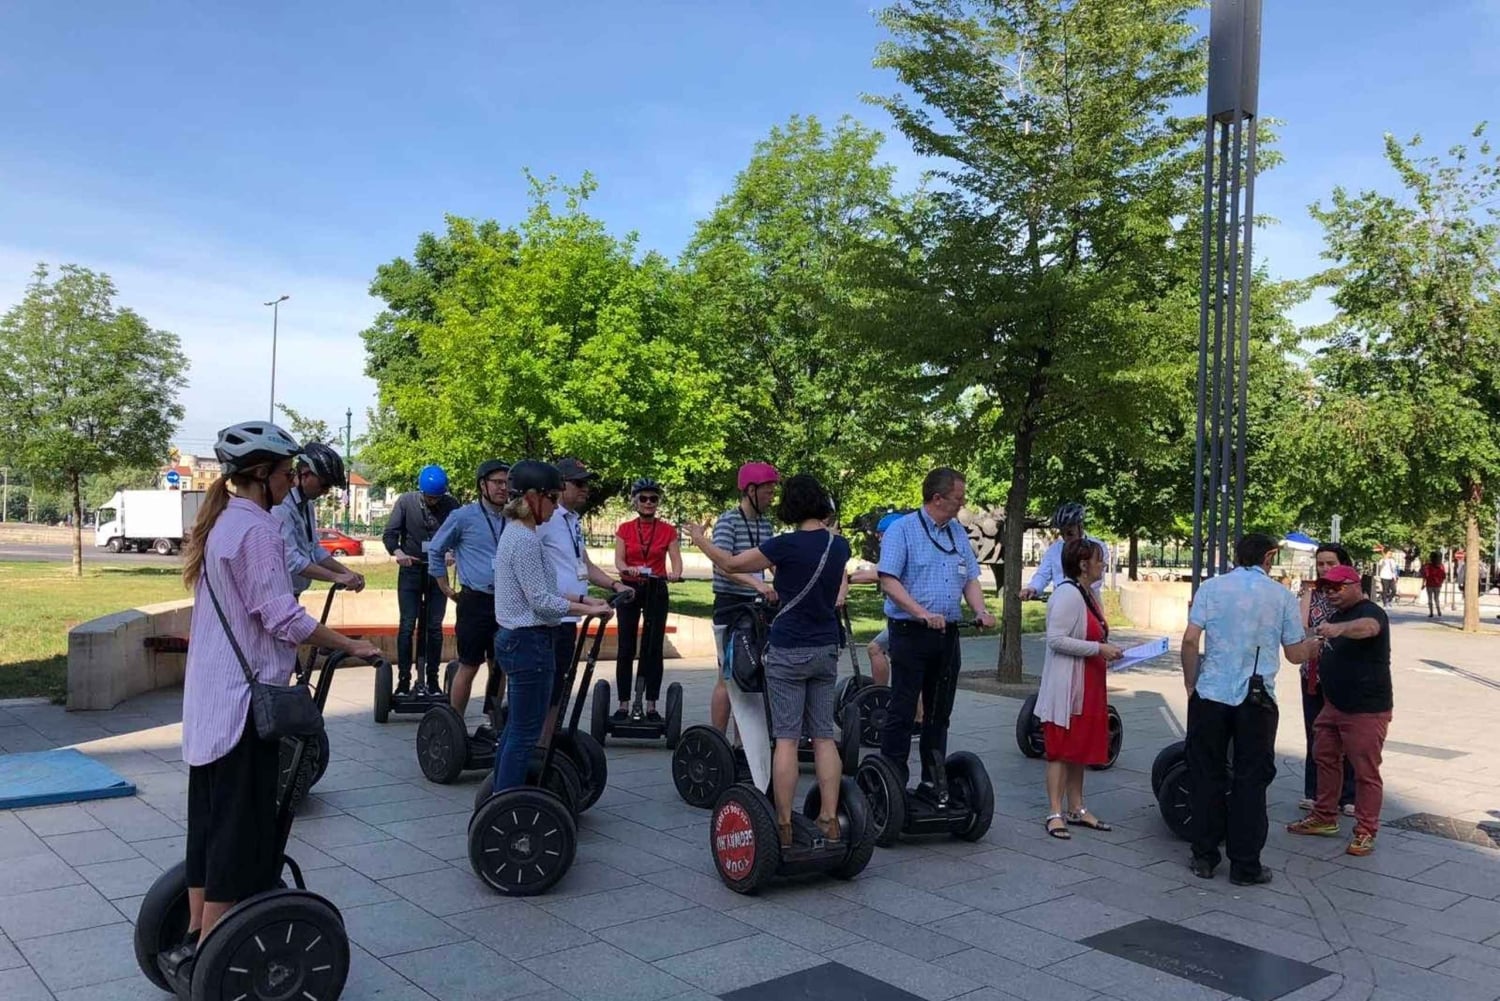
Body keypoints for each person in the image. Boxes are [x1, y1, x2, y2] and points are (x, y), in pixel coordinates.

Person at [174, 422, 380, 959]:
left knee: (209, 824)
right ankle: (216, 949)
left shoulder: (221, 523)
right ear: (261, 475)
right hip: (246, 707)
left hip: (212, 702)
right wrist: (352, 646)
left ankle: (197, 932)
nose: (293, 482)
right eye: (288, 474)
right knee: (240, 833)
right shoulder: (259, 530)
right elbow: (282, 617)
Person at [686, 473, 851, 847]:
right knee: (824, 736)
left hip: (789, 649)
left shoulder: (785, 545)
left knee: (788, 739)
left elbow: (729, 565)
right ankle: (829, 817)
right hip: (826, 648)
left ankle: (783, 823)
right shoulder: (839, 546)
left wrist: (699, 539)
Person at [1180, 533, 1318, 885]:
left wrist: (1191, 683)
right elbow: (1294, 654)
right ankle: (1245, 864)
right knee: (1250, 781)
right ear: (1269, 556)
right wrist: (1318, 643)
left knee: (1205, 774)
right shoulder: (1281, 596)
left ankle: (1204, 857)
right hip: (1255, 701)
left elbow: (1190, 640)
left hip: (1210, 693)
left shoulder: (1211, 589)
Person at [490, 461, 613, 792]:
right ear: (531, 497)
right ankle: (508, 799)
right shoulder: (525, 540)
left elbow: (545, 588)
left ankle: (501, 794)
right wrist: (584, 611)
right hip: (529, 641)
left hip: (523, 640)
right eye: (552, 497)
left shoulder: (520, 534)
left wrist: (586, 602)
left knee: (517, 728)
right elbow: (541, 602)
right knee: (525, 732)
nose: (556, 504)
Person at [875, 468, 996, 794]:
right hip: (910, 632)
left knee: (939, 712)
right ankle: (892, 782)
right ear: (938, 498)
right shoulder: (903, 530)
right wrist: (922, 613)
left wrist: (980, 611)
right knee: (903, 711)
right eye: (958, 498)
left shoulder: (957, 533)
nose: (963, 504)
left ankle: (933, 779)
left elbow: (970, 578)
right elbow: (888, 580)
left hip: (947, 635)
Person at [1288, 564, 1393, 856]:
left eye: (1337, 587)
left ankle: (1365, 830)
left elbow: (1369, 629)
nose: (1331, 594)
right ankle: (1324, 817)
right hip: (1333, 705)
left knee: (1365, 771)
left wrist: (1339, 630)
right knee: (1324, 757)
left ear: (1355, 584)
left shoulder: (1370, 612)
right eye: (1326, 589)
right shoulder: (1336, 614)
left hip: (1365, 709)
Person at [538, 458, 635, 737]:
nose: (586, 489)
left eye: (587, 483)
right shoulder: (545, 519)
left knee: (561, 682)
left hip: (570, 615)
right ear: (560, 485)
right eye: (579, 483)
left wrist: (616, 586)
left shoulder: (572, 521)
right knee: (550, 683)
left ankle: (548, 743)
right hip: (550, 616)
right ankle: (539, 744)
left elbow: (586, 565)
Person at [1036, 538, 1124, 839]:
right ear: (1083, 565)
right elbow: (1056, 639)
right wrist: (1098, 648)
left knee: (1078, 748)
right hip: (1068, 685)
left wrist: (1106, 650)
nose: (1103, 565)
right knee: (1060, 749)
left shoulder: (1088, 594)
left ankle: (1077, 806)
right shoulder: (1068, 595)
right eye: (1099, 560)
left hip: (1087, 683)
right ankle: (1054, 812)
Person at [429, 460, 510, 716]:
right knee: (469, 664)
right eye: (497, 482)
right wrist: (444, 585)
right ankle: (455, 722)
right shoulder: (463, 516)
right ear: (482, 485)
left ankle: (493, 720)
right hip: (475, 601)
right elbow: (436, 549)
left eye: (507, 483)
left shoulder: (514, 517)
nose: (503, 488)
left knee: (500, 665)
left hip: (507, 601)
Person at [707, 462, 782, 733]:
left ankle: (745, 746)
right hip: (731, 604)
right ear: (751, 490)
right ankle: (717, 739)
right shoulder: (728, 521)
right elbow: (722, 565)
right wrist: (756, 584)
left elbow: (773, 562)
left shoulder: (765, 524)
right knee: (727, 676)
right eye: (767, 491)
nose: (771, 496)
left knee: (750, 676)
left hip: (756, 607)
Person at [383, 465, 459, 693]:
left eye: (438, 497)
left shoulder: (451, 505)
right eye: (430, 497)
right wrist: (398, 553)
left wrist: (451, 552)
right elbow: (390, 534)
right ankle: (404, 680)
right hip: (411, 569)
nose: (434, 501)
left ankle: (433, 680)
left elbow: (460, 534)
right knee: (407, 625)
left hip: (437, 572)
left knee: (434, 627)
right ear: (421, 492)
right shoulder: (406, 502)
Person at [613, 478, 683, 718]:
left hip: (655, 588)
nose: (648, 503)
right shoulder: (625, 529)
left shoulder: (667, 530)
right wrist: (626, 569)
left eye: (653, 499)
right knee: (626, 646)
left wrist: (675, 574)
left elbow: (676, 560)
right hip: (630, 588)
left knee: (653, 647)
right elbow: (619, 560)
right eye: (643, 498)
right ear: (635, 500)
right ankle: (623, 703)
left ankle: (651, 703)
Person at [1297, 543, 1357, 814]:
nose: (1324, 568)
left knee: (1346, 734)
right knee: (1315, 732)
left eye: (1330, 563)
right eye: (1321, 563)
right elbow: (1303, 627)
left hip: (1343, 673)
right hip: (1312, 672)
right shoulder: (1311, 592)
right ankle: (1314, 791)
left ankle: (1348, 795)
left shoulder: (1352, 594)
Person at [272, 441, 366, 597]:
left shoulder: (307, 505)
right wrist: (336, 577)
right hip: (279, 596)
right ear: (305, 473)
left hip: (293, 595)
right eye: (323, 484)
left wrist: (347, 572)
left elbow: (314, 550)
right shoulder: (282, 507)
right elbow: (291, 561)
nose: (325, 491)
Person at [848, 511, 906, 687]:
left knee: (876, 648)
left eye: (882, 535)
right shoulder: (905, 548)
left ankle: (880, 695)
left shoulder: (900, 550)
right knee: (906, 669)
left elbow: (876, 574)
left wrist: (846, 578)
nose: (880, 540)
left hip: (906, 621)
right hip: (902, 620)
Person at [1021, 502, 1109, 602]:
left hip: (1088, 601)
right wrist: (1032, 588)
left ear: (1080, 528)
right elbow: (1043, 574)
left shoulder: (1098, 548)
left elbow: (1096, 579)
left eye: (1070, 533)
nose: (1066, 538)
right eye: (1062, 534)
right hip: (1060, 600)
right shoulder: (1054, 550)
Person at [1419, 552, 1446, 619]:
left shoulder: (1428, 566)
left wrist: (1423, 584)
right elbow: (1443, 576)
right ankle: (1439, 611)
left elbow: (1425, 575)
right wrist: (1441, 582)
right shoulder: (1441, 566)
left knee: (1430, 599)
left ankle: (1431, 612)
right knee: (1436, 598)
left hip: (1429, 584)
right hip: (1437, 584)